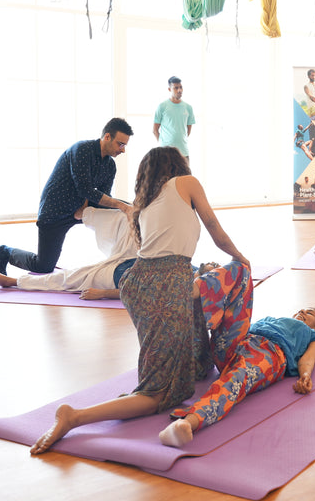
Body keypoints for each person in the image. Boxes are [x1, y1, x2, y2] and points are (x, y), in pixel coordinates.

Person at [30, 146, 248, 455]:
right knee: (157, 394)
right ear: (178, 165)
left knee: (194, 365)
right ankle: (74, 417)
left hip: (141, 284)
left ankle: (193, 362)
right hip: (165, 285)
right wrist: (241, 259)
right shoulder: (188, 183)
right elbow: (214, 229)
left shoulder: (145, 203)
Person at [158, 272, 315, 447]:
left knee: (234, 380)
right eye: (302, 309)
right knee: (229, 297)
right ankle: (208, 284)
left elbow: (308, 359)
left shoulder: (314, 336)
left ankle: (188, 422)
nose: (302, 311)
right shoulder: (273, 319)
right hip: (242, 339)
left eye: (309, 313)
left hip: (269, 353)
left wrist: (305, 376)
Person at [0, 118, 134, 275]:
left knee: (125, 209)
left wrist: (125, 207)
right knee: (43, 266)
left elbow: (103, 196)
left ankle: (125, 262)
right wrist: (122, 206)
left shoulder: (110, 165)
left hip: (81, 208)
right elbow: (85, 189)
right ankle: (7, 252)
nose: (123, 150)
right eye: (120, 144)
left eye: (125, 145)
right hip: (56, 211)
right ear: (107, 137)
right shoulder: (82, 150)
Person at [0, 205, 138, 299]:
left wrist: (102, 294)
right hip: (131, 261)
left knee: (68, 277)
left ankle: (13, 281)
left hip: (119, 275)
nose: (122, 150)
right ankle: (86, 213)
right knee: (127, 216)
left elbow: (135, 291)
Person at [153, 76, 195, 161]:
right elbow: (155, 130)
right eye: (176, 88)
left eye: (180, 87)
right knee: (165, 175)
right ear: (169, 89)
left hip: (183, 152)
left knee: (185, 175)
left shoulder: (188, 107)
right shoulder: (162, 106)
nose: (179, 90)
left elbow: (188, 130)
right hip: (165, 153)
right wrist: (162, 144)